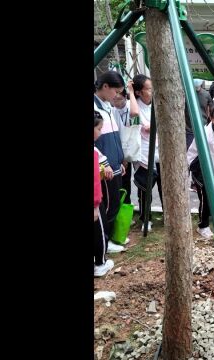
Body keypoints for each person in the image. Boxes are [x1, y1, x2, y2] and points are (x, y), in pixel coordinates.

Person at [94, 71, 127, 253]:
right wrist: (104, 163)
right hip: (103, 168)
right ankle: (103, 242)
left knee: (114, 203)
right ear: (105, 86)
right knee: (107, 206)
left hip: (114, 164)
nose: (117, 95)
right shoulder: (95, 108)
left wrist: (119, 160)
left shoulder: (108, 107)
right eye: (116, 91)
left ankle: (108, 239)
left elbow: (114, 137)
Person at [187, 102, 214, 239]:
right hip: (199, 165)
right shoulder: (209, 136)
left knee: (213, 196)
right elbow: (210, 161)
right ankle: (202, 226)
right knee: (206, 197)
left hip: (210, 163)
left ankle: (212, 219)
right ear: (211, 119)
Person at [132, 74, 163, 232]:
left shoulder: (156, 104)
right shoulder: (134, 106)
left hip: (161, 153)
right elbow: (140, 126)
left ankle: (168, 215)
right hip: (144, 154)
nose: (152, 91)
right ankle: (145, 218)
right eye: (149, 89)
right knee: (145, 190)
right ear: (138, 92)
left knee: (165, 189)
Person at [111, 80, 139, 205]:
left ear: (125, 97)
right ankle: (125, 207)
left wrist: (131, 92)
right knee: (123, 182)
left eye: (118, 100)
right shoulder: (112, 110)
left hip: (134, 148)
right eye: (114, 100)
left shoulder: (131, 105)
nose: (115, 103)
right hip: (120, 150)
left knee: (140, 180)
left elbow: (134, 115)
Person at [94, 111, 115, 277]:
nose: (101, 133)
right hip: (94, 203)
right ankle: (101, 263)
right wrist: (95, 205)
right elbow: (94, 181)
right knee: (100, 230)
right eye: (99, 129)